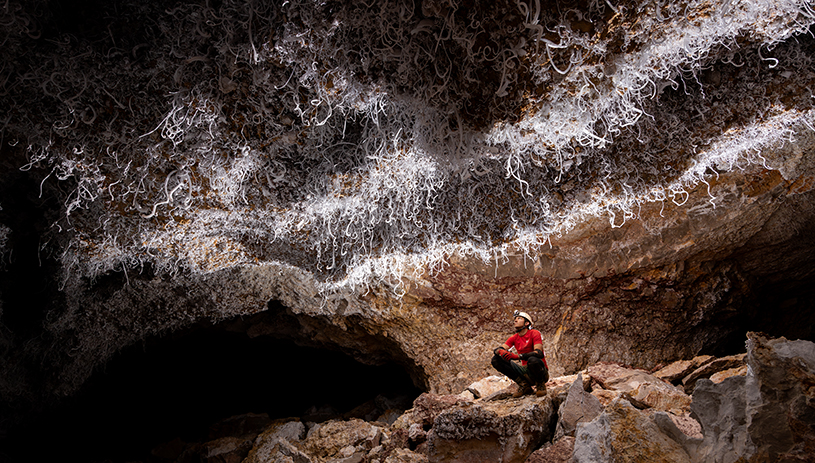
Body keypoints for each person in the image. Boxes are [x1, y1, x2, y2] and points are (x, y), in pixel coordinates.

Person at [491, 310, 549, 398]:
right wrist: (500, 351)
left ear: (527, 323)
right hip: (525, 372)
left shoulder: (534, 333)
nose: (515, 320)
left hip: (539, 371)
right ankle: (524, 385)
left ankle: (540, 384)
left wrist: (518, 356)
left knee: (532, 360)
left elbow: (539, 353)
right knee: (496, 360)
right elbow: (498, 349)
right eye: (515, 319)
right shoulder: (514, 338)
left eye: (519, 318)